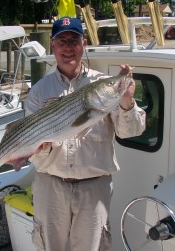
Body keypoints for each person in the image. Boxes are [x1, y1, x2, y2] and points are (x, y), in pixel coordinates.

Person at [24, 16, 146, 251]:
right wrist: (38, 149)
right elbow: (32, 151)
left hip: (94, 187)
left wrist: (126, 99)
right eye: (62, 41)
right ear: (53, 46)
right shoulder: (39, 92)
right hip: (50, 186)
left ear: (84, 43)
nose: (68, 47)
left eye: (74, 40)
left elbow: (130, 131)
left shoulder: (103, 85)